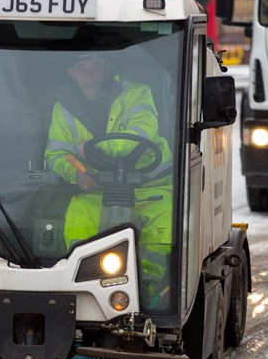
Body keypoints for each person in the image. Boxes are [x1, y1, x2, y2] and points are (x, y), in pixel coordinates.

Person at [44, 51, 173, 308]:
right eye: (82, 68)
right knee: (79, 214)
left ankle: (148, 288)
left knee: (164, 216)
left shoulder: (136, 93)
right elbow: (56, 154)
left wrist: (97, 147)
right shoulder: (63, 107)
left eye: (96, 67)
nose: (90, 75)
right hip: (99, 190)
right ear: (71, 72)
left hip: (150, 185)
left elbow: (142, 131)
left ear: (107, 68)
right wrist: (78, 174)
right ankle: (81, 284)